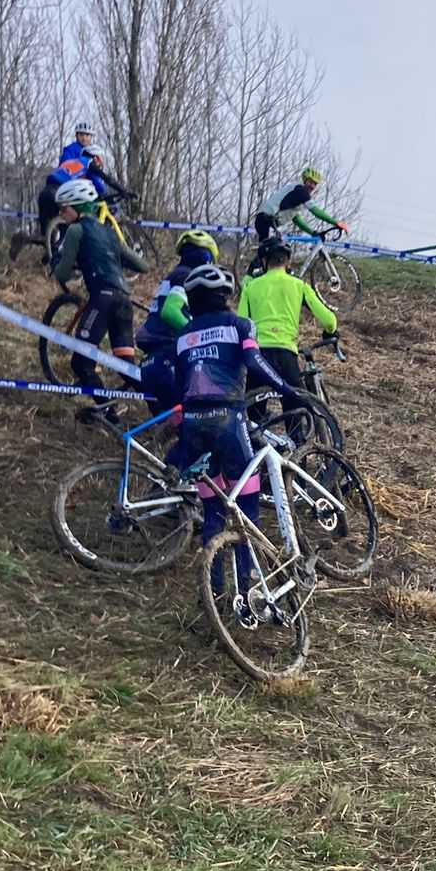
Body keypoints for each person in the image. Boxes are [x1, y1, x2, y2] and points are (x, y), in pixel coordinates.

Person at [163, 264, 302, 620]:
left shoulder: (183, 336)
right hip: (229, 421)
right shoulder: (239, 325)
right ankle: (249, 589)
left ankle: (216, 595)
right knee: (248, 507)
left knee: (213, 513)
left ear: (192, 300)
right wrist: (287, 389)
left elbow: (179, 384)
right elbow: (255, 362)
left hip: (194, 426)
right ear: (226, 296)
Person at [49, 177, 144, 423]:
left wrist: (59, 263)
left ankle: (109, 415)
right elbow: (141, 265)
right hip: (124, 300)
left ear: (77, 207)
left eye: (64, 208)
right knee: (127, 368)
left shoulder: (75, 230)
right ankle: (167, 410)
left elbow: (62, 272)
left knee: (81, 364)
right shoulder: (110, 232)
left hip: (102, 300)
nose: (61, 214)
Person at [239, 238, 337, 440]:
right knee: (294, 410)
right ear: (288, 262)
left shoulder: (252, 287)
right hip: (287, 356)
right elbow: (329, 320)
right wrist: (330, 331)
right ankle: (298, 454)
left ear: (264, 261)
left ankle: (259, 458)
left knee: (253, 417)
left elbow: (241, 322)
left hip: (258, 356)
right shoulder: (298, 286)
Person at [133, 230, 221, 415]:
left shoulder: (174, 274)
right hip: (168, 354)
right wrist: (196, 333)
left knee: (170, 426)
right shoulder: (185, 276)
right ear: (207, 258)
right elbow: (171, 311)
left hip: (153, 357)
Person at [33, 123, 131, 249]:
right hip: (61, 192)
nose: (84, 138)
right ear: (95, 157)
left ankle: (47, 251)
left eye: (87, 135)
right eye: (99, 159)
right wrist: (123, 191)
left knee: (48, 233)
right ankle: (64, 253)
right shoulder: (85, 160)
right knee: (75, 223)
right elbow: (106, 179)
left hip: (46, 192)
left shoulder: (72, 160)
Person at [251, 167, 345, 271]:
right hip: (266, 219)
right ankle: (250, 276)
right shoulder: (300, 190)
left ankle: (259, 272)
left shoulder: (297, 194)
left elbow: (296, 218)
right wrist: (336, 222)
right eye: (310, 182)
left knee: (272, 255)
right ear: (304, 180)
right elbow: (315, 211)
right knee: (271, 254)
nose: (312, 186)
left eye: (315, 184)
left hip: (269, 221)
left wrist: (312, 232)